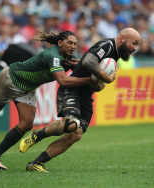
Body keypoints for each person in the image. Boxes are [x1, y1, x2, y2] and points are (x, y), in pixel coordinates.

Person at [0, 30, 114, 170]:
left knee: (26, 124)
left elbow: (82, 66)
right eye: (69, 43)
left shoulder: (67, 58)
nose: (73, 46)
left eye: (75, 43)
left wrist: (99, 77)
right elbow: (64, 81)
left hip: (27, 88)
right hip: (11, 79)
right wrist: (90, 80)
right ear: (60, 43)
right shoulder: (52, 55)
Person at [19, 27, 141, 172]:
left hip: (85, 94)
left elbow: (97, 80)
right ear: (122, 38)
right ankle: (36, 136)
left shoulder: (117, 53)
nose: (134, 48)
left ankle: (36, 163)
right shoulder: (108, 45)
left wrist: (99, 84)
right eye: (134, 43)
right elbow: (89, 61)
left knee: (76, 134)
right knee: (71, 124)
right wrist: (105, 77)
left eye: (137, 45)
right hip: (72, 89)